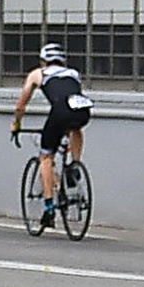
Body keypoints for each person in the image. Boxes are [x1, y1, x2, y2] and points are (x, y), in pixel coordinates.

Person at [11, 44, 94, 231]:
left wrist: (16, 124)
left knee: (46, 156)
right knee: (75, 128)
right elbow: (68, 96)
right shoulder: (73, 73)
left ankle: (49, 208)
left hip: (60, 112)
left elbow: (21, 105)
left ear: (43, 61)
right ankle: (74, 165)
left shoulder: (37, 74)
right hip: (82, 110)